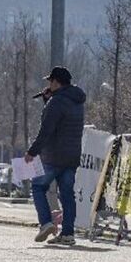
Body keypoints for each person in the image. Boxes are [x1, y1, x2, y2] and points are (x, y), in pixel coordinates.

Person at [25, 66, 87, 246]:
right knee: (67, 194)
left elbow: (46, 130)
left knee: (38, 187)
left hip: (53, 156)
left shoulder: (57, 102)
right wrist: (49, 101)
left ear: (56, 82)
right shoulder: (77, 101)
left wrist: (32, 152)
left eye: (50, 81)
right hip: (72, 155)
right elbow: (62, 121)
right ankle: (68, 233)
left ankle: (46, 223)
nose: (49, 84)